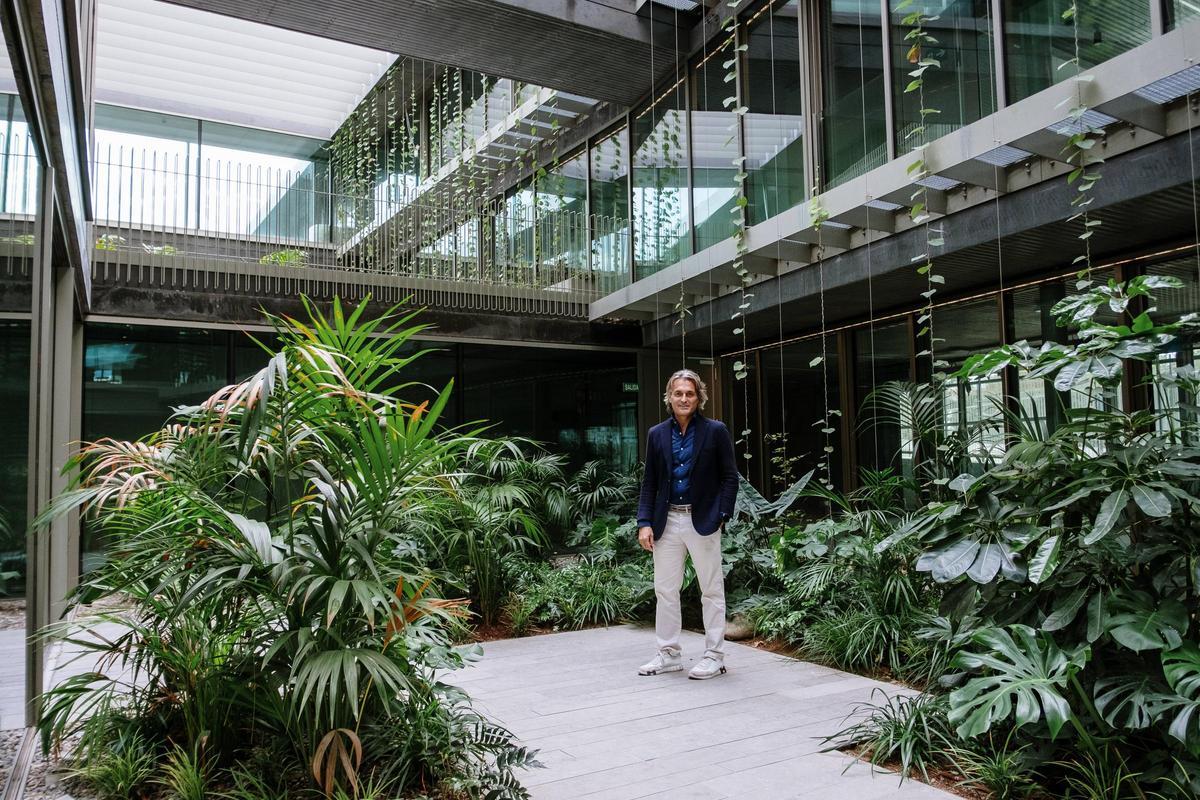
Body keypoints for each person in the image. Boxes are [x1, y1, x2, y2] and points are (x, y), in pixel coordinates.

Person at [635, 368, 738, 680]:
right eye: (678, 393)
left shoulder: (716, 431)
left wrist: (722, 515)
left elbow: (729, 477)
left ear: (699, 397)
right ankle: (668, 653)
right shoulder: (656, 434)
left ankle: (714, 656)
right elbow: (649, 482)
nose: (683, 398)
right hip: (666, 521)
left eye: (689, 393)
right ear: (669, 397)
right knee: (665, 589)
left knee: (711, 589)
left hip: (702, 520)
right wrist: (644, 521)